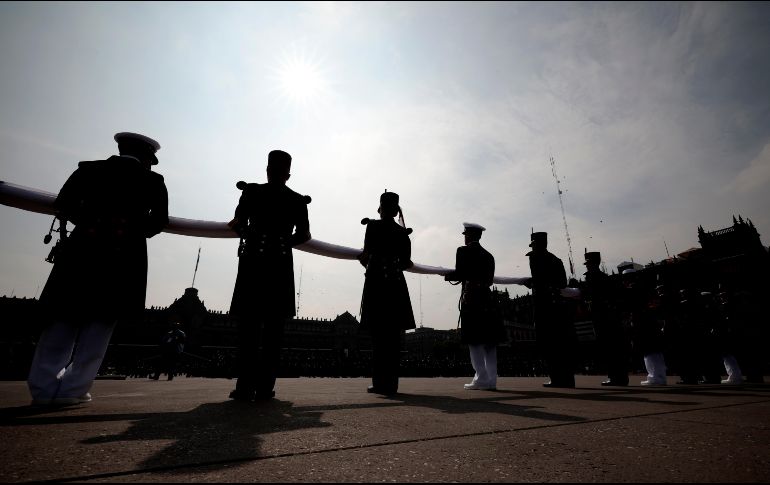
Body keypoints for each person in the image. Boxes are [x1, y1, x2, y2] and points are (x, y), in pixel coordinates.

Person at [28, 132, 168, 406]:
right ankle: (72, 391)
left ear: (120, 148)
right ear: (147, 158)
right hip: (121, 259)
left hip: (81, 252)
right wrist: (132, 233)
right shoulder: (152, 181)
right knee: (99, 327)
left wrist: (92, 222)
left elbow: (63, 205)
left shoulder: (88, 169)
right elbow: (158, 222)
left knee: (61, 320)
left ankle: (43, 390)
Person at [228, 150, 311, 401]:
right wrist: (284, 241)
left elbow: (237, 223)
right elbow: (304, 235)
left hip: (254, 261)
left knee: (249, 328)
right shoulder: (297, 200)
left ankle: (245, 386)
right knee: (274, 330)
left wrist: (252, 233)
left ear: (267, 170)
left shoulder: (252, 192)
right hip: (280, 263)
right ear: (288, 174)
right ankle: (265, 387)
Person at [358, 191, 416, 395]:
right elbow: (407, 262)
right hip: (396, 285)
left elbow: (365, 256)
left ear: (380, 207)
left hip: (377, 284)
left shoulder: (372, 226)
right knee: (393, 338)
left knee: (378, 338)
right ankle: (392, 384)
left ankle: (379, 383)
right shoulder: (402, 233)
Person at [444, 223, 504, 391]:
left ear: (467, 236)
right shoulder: (489, 255)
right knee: (490, 342)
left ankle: (481, 378)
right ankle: (492, 380)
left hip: (471, 298)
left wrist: (447, 275)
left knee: (474, 340)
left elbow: (460, 273)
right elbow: (490, 280)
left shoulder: (462, 251)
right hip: (487, 298)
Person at [524, 231, 575, 388]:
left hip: (545, 306)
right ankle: (567, 378)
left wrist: (533, 283)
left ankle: (557, 378)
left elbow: (539, 281)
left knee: (549, 343)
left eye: (534, 246)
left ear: (538, 245)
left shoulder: (537, 259)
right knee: (561, 343)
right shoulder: (556, 260)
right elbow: (562, 283)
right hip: (558, 306)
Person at [581, 251, 629, 386]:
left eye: (589, 264)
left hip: (604, 317)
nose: (587, 267)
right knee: (612, 348)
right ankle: (619, 377)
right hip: (606, 316)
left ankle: (616, 377)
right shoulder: (601, 277)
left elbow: (592, 295)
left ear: (594, 264)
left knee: (610, 347)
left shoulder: (596, 278)